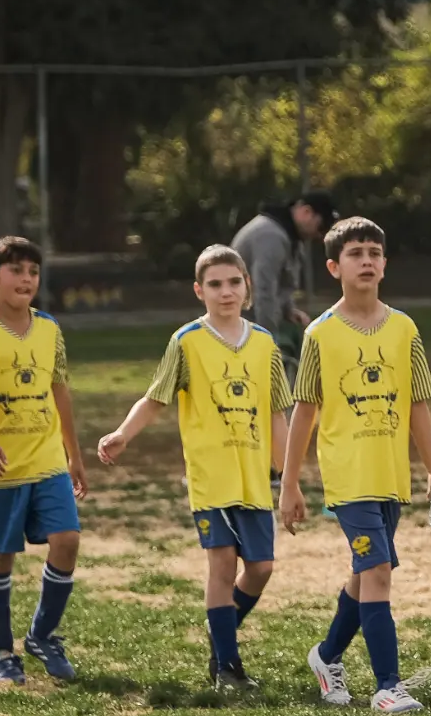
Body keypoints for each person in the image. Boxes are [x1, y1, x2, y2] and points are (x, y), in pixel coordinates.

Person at [96, 246, 292, 690]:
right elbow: (155, 398)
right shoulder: (187, 341)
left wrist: (289, 477)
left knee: (260, 569)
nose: (226, 292)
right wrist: (123, 434)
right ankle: (227, 667)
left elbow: (279, 414)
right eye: (216, 284)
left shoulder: (264, 343)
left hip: (255, 478)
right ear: (199, 291)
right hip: (211, 476)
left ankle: (218, 630)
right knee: (222, 566)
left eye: (234, 282)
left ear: (248, 287)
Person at [280, 217, 431, 715]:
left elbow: (417, 402)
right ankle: (387, 687)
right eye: (356, 253)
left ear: (385, 263)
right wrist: (289, 485)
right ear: (334, 266)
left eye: (375, 251)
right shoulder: (320, 334)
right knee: (376, 570)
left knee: (364, 575)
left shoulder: (404, 328)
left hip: (391, 476)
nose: (367, 260)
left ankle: (327, 655)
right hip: (348, 477)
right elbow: (304, 411)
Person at [0, 236, 89, 685]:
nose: (26, 279)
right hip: (0, 471)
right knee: (1, 558)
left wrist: (75, 455)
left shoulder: (50, 328)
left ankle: (42, 635)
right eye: (15, 271)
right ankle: (1, 654)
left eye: (33, 271)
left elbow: (61, 391)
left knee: (68, 540)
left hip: (48, 462)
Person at [230, 190, 338, 369]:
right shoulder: (271, 236)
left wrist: (288, 310)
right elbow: (263, 292)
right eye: (321, 226)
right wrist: (268, 345)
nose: (320, 235)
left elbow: (282, 281)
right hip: (243, 327)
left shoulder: (286, 235)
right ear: (306, 212)